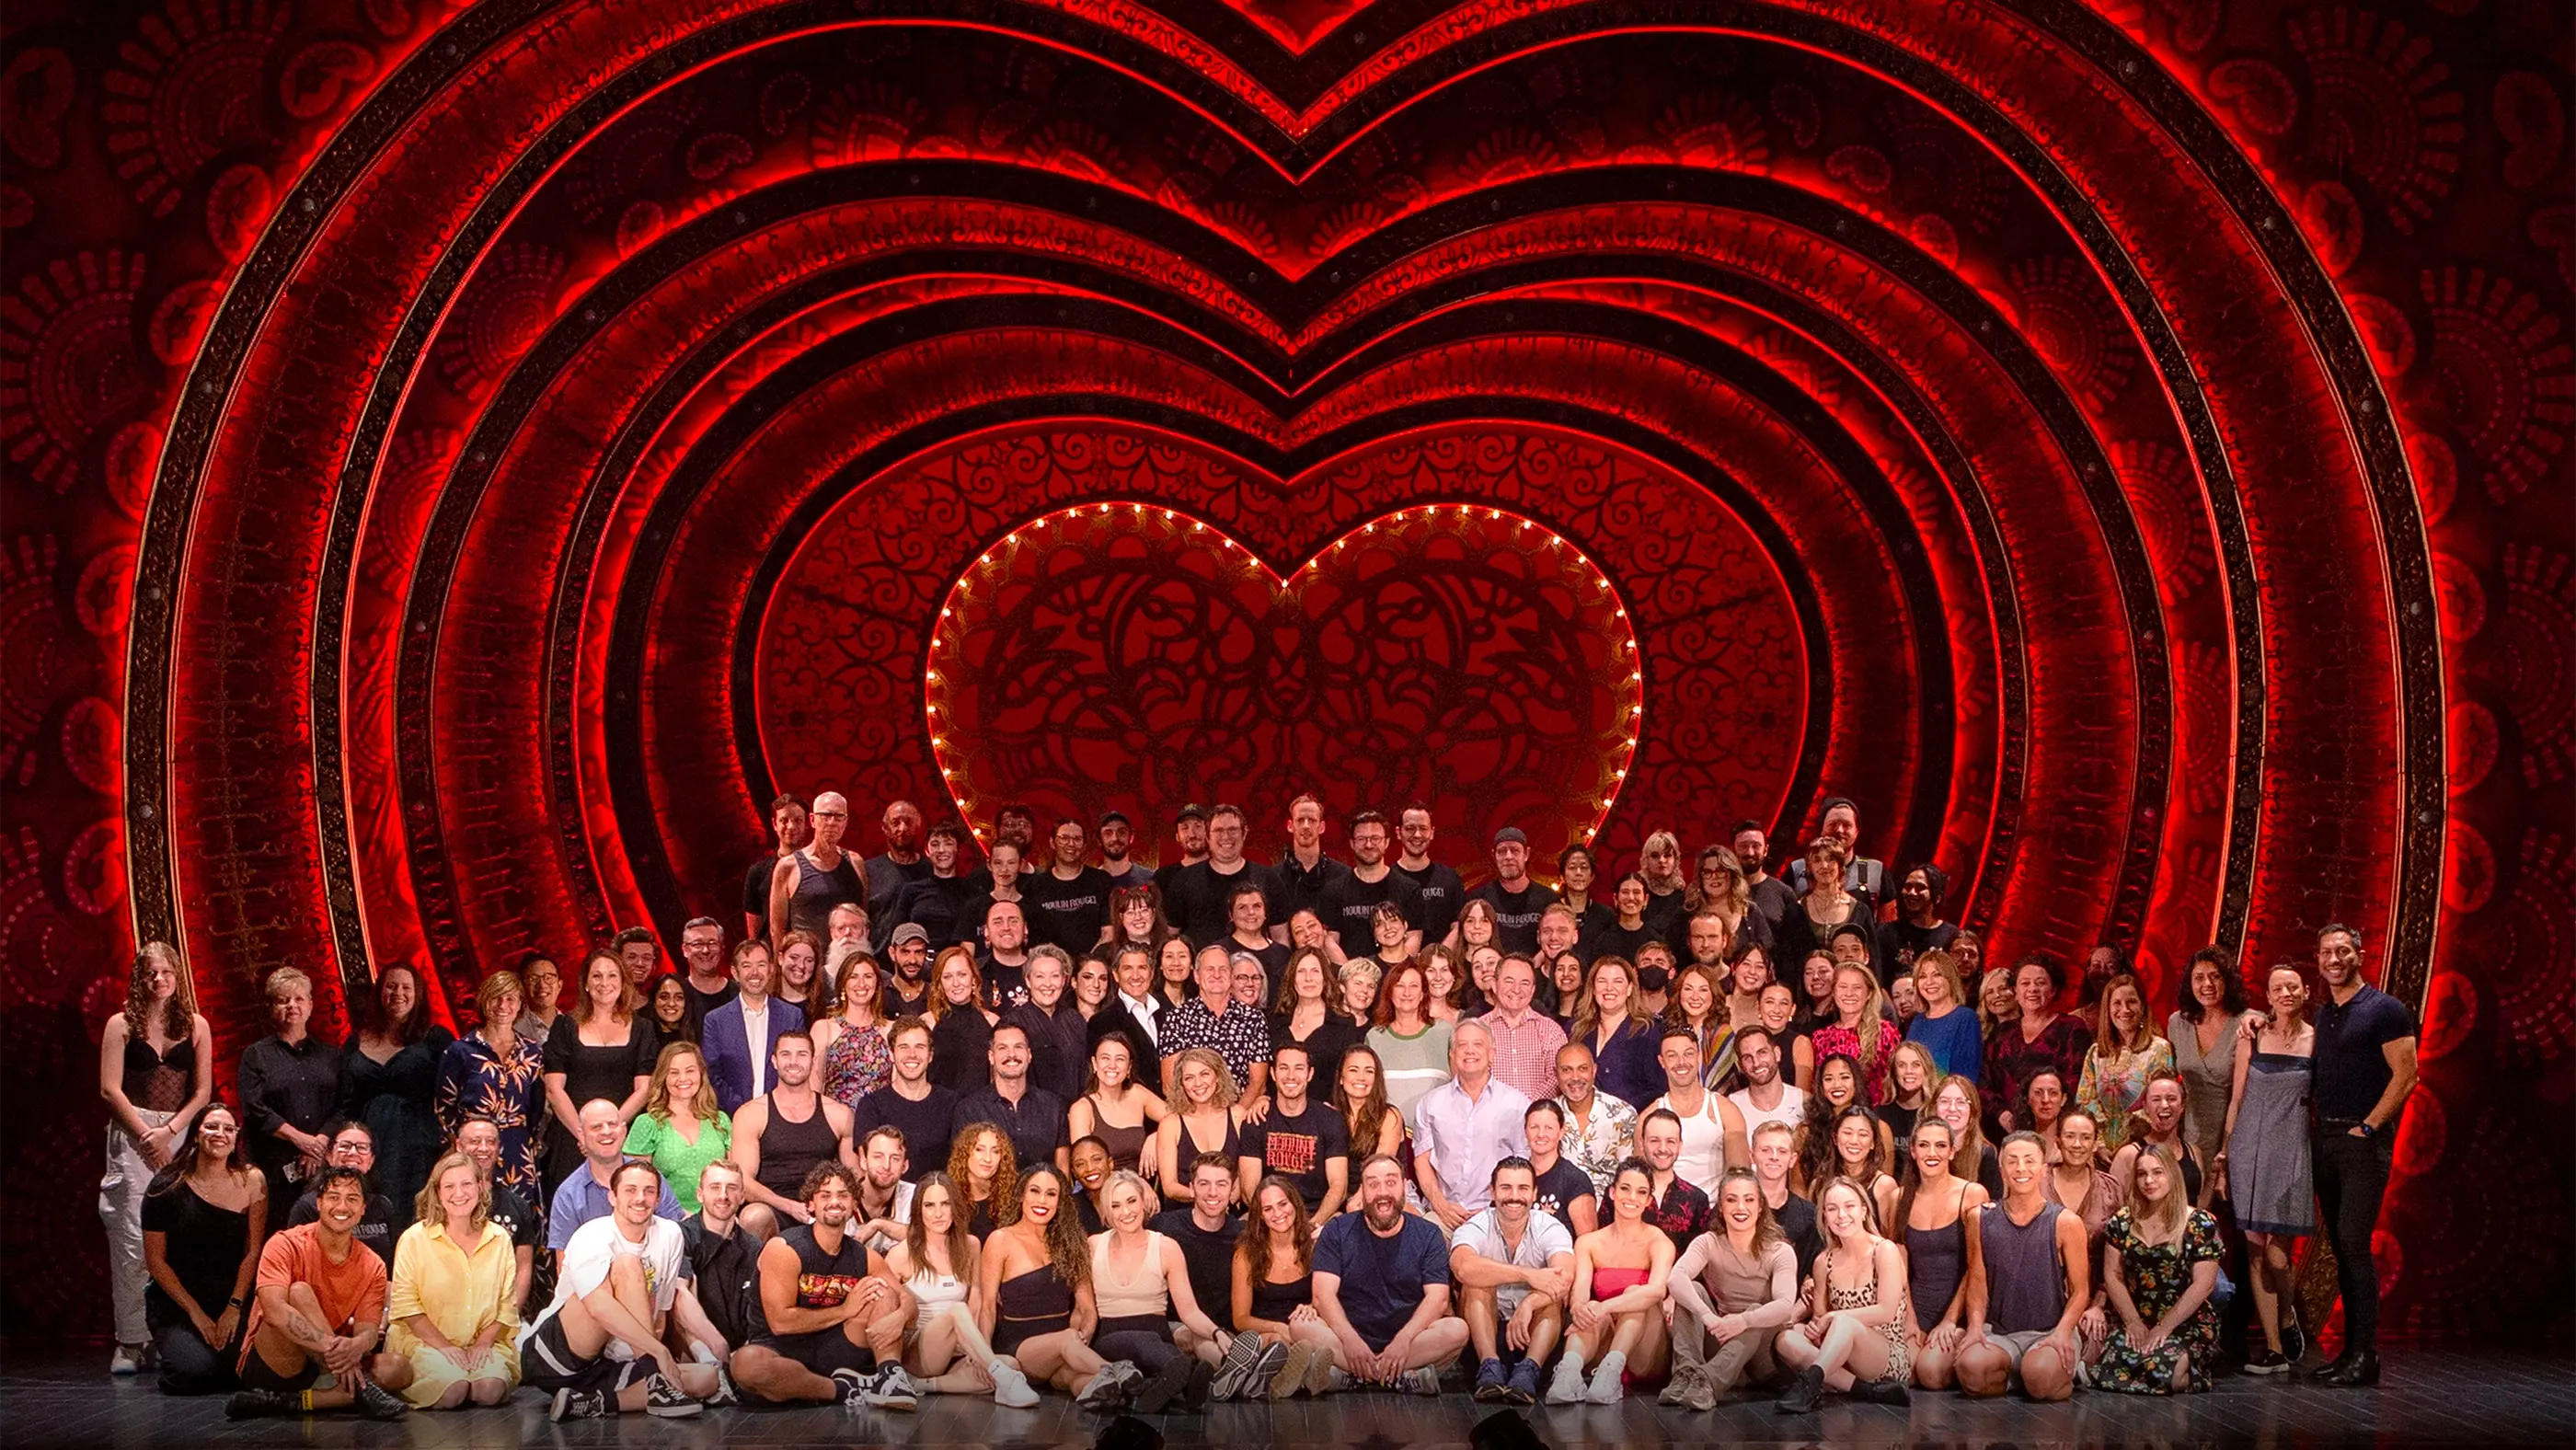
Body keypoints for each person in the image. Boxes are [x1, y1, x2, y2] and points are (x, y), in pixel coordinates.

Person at [520, 1161, 726, 1420]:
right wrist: (658, 1352)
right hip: (556, 1355)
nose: (640, 1198)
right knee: (627, 1264)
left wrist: (657, 1351)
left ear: (658, 1198)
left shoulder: (671, 1234)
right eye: (630, 1190)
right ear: (612, 1197)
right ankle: (655, 1381)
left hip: (612, 1362)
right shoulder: (592, 1234)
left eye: (649, 1191)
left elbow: (659, 1314)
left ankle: (594, 1403)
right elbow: (597, 1307)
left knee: (706, 1379)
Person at [2304, 923, 2417, 1388]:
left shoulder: (2386, 1010)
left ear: (2360, 955)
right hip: (2324, 1142)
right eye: (2326, 951)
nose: (2334, 959)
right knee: (2342, 1246)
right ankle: (2349, 1352)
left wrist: (2367, 1127)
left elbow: (2406, 1075)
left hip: (2361, 1143)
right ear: (2318, 959)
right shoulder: (2325, 1014)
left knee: (2353, 1244)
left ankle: (2366, 1355)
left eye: (2343, 951)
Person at [99, 940, 215, 1374]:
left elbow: (202, 1090)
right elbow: (110, 1088)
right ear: (139, 978)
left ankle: (175, 1334)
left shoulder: (197, 1025)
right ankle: (130, 1340)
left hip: (180, 1129)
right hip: (132, 1132)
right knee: (130, 1236)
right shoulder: (121, 1024)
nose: (159, 979)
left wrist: (169, 1132)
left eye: (166, 972)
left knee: (179, 1236)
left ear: (177, 976)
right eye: (150, 973)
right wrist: (147, 1134)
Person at [222, 1166, 412, 1421]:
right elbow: (275, 1312)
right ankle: (357, 1389)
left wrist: (356, 1345)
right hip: (275, 1361)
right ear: (319, 1202)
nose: (342, 1206)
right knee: (298, 1292)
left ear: (363, 1208)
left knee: (399, 1369)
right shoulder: (284, 1243)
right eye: (334, 1197)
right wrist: (334, 1348)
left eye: (352, 1199)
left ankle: (291, 1403)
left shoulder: (373, 1264)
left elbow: (367, 1331)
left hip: (328, 1366)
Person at [727, 1161, 918, 1410]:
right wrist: (844, 1311)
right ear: (810, 1205)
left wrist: (900, 1316)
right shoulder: (785, 1249)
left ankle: (889, 1376)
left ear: (853, 1204)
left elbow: (908, 1302)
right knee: (746, 1364)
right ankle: (841, 1390)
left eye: (843, 1195)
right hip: (781, 1348)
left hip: (836, 1346)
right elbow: (781, 1323)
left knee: (884, 1292)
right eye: (825, 1195)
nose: (835, 1202)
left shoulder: (864, 1256)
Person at [869, 1170, 1038, 1405]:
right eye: (929, 1205)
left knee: (1012, 1363)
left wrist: (979, 1352)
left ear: (955, 1207)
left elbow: (977, 1299)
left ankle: (923, 1386)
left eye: (945, 1204)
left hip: (958, 1348)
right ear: (919, 1209)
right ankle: (1001, 1376)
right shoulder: (901, 1254)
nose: (938, 1213)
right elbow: (884, 1306)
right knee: (957, 1311)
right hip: (920, 1351)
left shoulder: (970, 1245)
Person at [2225, 961, 2317, 1374]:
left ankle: (2286, 1315)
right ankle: (2275, 1349)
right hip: (2249, 1148)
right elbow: (2237, 1099)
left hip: (2291, 1151)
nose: (2286, 993)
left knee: (2278, 1256)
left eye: (2293, 987)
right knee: (2255, 1251)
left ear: (2306, 992)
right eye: (2278, 987)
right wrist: (2225, 1155)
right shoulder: (2254, 1033)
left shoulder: (2318, 1040)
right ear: (2268, 995)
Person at [1313, 1155, 1470, 1391]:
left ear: (1404, 1186)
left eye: (1390, 1182)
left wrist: (1403, 1341)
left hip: (1410, 1339)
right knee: (1300, 1327)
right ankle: (1399, 1377)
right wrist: (1351, 1340)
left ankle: (1356, 1376)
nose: (1382, 1191)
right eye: (1373, 1184)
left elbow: (1438, 1300)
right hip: (1350, 1335)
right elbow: (1322, 1295)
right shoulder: (1337, 1230)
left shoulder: (1428, 1234)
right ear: (1362, 1191)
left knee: (1457, 1330)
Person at [980, 1167, 1130, 1408]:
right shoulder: (1001, 1240)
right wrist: (988, 1361)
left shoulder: (1070, 1243)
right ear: (1021, 1195)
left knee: (1081, 1379)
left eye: (1051, 1194)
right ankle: (1127, 1377)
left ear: (1060, 1202)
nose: (1042, 1200)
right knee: (1067, 1340)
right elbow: (986, 1307)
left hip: (1064, 1349)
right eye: (1035, 1191)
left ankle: (1109, 1393)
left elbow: (1088, 1310)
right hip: (1020, 1347)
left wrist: (1082, 1340)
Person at [1954, 1132, 2087, 1401]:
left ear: (2043, 1169)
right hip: (2001, 1332)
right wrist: (1975, 1328)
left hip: (2049, 1330)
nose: (2021, 1168)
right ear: (2002, 1170)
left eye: (2029, 1161)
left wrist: (2063, 1333)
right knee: (1970, 1370)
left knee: (2041, 1380)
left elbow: (2080, 1291)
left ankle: (2054, 1374)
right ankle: (2018, 1375)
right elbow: (1978, 1282)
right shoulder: (1980, 1218)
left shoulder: (2065, 1222)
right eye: (2012, 1161)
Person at [141, 1103, 264, 1395]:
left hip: (229, 1300)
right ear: (196, 1134)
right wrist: (195, 1313)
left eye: (228, 1128)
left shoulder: (252, 1180)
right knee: (194, 1375)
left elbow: (253, 1250)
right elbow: (156, 1262)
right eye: (211, 1126)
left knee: (253, 1370)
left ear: (236, 1137)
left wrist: (234, 1307)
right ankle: (178, 1349)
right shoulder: (165, 1186)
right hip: (179, 1304)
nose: (219, 1133)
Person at [386, 1152, 520, 1409]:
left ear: (481, 1187)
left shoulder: (499, 1238)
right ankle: (449, 1381)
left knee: (490, 1391)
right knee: (453, 1391)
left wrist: (482, 1344)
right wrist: (446, 1347)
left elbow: (507, 1307)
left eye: (466, 1184)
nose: (459, 1193)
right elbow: (407, 1307)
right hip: (426, 1343)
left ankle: (471, 1377)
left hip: (484, 1341)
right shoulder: (414, 1239)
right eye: (449, 1186)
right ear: (437, 1192)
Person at [2089, 1143, 2225, 1395]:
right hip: (2138, 1318)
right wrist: (2133, 1322)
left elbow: (2203, 1284)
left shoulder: (2199, 1223)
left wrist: (2165, 1328)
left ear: (2172, 1175)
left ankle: (2188, 1371)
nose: (2149, 1180)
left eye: (2157, 1172)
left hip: (2185, 1322)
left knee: (2167, 1374)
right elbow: (2113, 1275)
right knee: (2106, 1368)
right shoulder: (2122, 1221)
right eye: (2142, 1174)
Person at [1663, 1167, 1800, 1409]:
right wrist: (1707, 1314)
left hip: (1762, 1354)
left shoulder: (1779, 1251)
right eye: (1731, 1200)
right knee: (1690, 1290)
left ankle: (1706, 1380)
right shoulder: (1708, 1242)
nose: (1740, 1208)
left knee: (1758, 1309)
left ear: (1760, 1207)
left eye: (1749, 1200)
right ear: (1722, 1207)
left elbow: (1784, 1306)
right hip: (1722, 1337)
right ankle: (1686, 1375)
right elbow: (1676, 1278)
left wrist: (1743, 1321)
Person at [1088, 1170, 1225, 1410]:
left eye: (1132, 1201)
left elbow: (1189, 1311)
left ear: (1143, 1201)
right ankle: (1187, 1380)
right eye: (1116, 1205)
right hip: (1110, 1337)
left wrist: (1217, 1333)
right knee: (1149, 1345)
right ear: (1108, 1211)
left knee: (1154, 1345)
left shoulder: (1166, 1247)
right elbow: (1084, 1306)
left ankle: (1150, 1391)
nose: (1126, 1212)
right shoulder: (1094, 1245)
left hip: (1157, 1337)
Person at [1771, 1177, 1911, 1411]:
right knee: (1787, 1339)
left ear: (1864, 1210)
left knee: (1845, 1321)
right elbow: (1820, 1317)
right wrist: (1817, 1326)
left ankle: (1810, 1384)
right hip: (1840, 1353)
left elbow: (1886, 1311)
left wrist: (1833, 1318)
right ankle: (1864, 1390)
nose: (1841, 1215)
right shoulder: (1823, 1261)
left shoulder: (1884, 1250)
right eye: (1832, 1209)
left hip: (1884, 1353)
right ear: (1824, 1215)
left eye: (1849, 1206)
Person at [1545, 1157, 1675, 1403]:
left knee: (1636, 1295)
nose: (1632, 1198)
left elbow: (1657, 1291)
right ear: (1613, 1192)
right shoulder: (1588, 1243)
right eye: (1625, 1189)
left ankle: (1612, 1370)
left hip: (1645, 1351)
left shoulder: (1658, 1242)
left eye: (1641, 1192)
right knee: (1589, 1306)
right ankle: (1568, 1373)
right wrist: (1581, 1307)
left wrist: (1605, 1306)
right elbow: (1579, 1293)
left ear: (1649, 1201)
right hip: (1602, 1340)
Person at [1451, 1157, 1574, 1405]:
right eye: (1506, 1188)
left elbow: (1564, 1278)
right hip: (1485, 1333)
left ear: (1534, 1193)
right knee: (1476, 1282)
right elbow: (1462, 1267)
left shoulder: (1550, 1227)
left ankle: (1529, 1371)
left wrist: (1528, 1305)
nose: (1514, 1196)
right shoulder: (1476, 1225)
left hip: (1535, 1334)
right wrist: (1527, 1274)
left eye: (1523, 1188)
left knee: (1552, 1294)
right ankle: (1490, 1369)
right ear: (1492, 1192)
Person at [540, 950, 655, 1196]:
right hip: (573, 1138)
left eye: (612, 975)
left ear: (623, 982)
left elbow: (644, 1089)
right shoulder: (565, 1026)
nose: (605, 983)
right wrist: (584, 1135)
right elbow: (553, 1088)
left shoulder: (643, 1028)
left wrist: (609, 1130)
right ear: (586, 984)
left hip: (624, 1136)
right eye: (597, 976)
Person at [238, 967, 344, 1224]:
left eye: (299, 999)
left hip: (326, 1164)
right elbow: (254, 1109)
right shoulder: (256, 1056)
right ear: (272, 1008)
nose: (292, 1006)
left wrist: (316, 1146)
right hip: (274, 1169)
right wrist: (299, 1140)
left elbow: (345, 1105)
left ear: (310, 1005)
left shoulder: (332, 1056)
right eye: (283, 1000)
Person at [1892, 1118, 1988, 1390]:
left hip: (1958, 1311)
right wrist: (1909, 1317)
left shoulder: (1972, 1193)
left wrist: (1949, 1321)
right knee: (1904, 1374)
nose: (1931, 1153)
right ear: (1912, 1151)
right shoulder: (1899, 1198)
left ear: (1952, 1151)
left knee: (1931, 1372)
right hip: (1916, 1308)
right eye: (1924, 1145)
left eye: (1940, 1145)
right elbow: (1898, 1266)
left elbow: (1976, 1266)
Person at [437, 971, 546, 1208]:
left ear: (520, 1005)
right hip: (475, 1148)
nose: (502, 1005)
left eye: (510, 999)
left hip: (518, 1149)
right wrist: (459, 1145)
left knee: (519, 1215)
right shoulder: (461, 1051)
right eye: (495, 998)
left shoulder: (532, 1052)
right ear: (483, 1002)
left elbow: (537, 1106)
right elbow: (444, 1105)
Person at [730, 1031, 856, 1229]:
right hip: (772, 1207)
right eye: (786, 1054)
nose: (794, 1062)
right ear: (774, 1061)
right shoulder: (751, 1114)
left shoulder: (839, 1114)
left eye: (802, 1055)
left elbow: (854, 1176)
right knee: (754, 1216)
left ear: (813, 1061)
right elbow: (743, 1180)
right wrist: (789, 1207)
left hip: (823, 1207)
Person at [1225, 1176, 1334, 1400]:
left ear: (1294, 1203)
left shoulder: (1316, 1244)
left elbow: (1330, 1297)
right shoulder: (1246, 1253)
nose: (1278, 1214)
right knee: (1279, 1344)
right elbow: (1241, 1319)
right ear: (1260, 1216)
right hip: (1266, 1332)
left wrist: (1313, 1307)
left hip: (1306, 1328)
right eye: (1268, 1209)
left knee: (1311, 1336)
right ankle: (1301, 1377)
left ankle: (1292, 1378)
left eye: (1282, 1204)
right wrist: (1277, 1328)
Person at [548, 1099, 686, 1251]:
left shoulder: (650, 1178)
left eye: (612, 1124)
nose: (606, 1131)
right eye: (596, 1127)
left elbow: (676, 1236)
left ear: (624, 1130)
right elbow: (564, 1266)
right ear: (582, 1135)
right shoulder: (568, 1194)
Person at [1242, 1041, 1350, 1220]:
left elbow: (1339, 1186)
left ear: (1310, 1074)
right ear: (1273, 1073)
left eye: (1299, 1068)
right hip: (1270, 1215)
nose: (1291, 1076)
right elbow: (1249, 1189)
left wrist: (1314, 1224)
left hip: (1316, 1214)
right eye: (1284, 1068)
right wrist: (1274, 1219)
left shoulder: (1330, 1120)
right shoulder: (1256, 1120)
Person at [622, 1042, 732, 1216]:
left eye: (690, 1071)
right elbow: (638, 1186)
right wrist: (681, 1216)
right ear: (663, 1077)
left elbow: (733, 1178)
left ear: (701, 1074)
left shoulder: (720, 1121)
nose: (683, 1079)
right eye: (674, 1073)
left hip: (718, 1218)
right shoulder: (647, 1123)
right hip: (666, 1220)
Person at [703, 940, 806, 1116]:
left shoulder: (792, 1016)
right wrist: (743, 1111)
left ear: (771, 970)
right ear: (735, 973)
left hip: (782, 1118)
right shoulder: (716, 1020)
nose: (755, 973)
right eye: (746, 965)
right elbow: (712, 1075)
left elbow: (798, 1068)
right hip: (732, 1118)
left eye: (761, 965)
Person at [2076, 972, 2176, 1152]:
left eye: (2131, 1002)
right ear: (2108, 1009)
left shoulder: (2159, 1049)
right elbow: (2085, 1102)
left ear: (2143, 1006)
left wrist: (2127, 1147)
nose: (2125, 1009)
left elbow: (2158, 1103)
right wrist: (2099, 1146)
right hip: (2098, 1150)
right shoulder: (2095, 1053)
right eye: (2117, 1003)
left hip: (2141, 1148)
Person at [1158, 945, 1272, 1102]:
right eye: (1210, 969)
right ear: (1197, 976)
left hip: (1239, 1117)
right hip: (1191, 1118)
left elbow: (1258, 1084)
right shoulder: (1177, 1019)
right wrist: (1195, 1119)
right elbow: (1170, 1084)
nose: (1217, 975)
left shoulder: (1253, 1019)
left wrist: (1234, 1118)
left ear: (1231, 975)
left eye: (1223, 969)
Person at [852, 1017, 959, 1183]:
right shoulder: (872, 1105)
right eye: (904, 1047)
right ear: (891, 1054)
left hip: (938, 1201)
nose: (912, 1055)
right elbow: (870, 1168)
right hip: (889, 1201)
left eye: (920, 1047)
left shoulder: (952, 1103)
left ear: (930, 1055)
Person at [451, 1118, 540, 1316]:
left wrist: (507, 1318)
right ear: (459, 1146)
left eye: (490, 1142)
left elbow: (523, 1268)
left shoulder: (517, 1205)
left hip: (502, 1314)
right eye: (475, 1141)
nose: (483, 1148)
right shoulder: (440, 1202)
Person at [958, 1022, 1071, 1174]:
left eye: (1018, 1047)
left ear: (1029, 1054)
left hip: (1042, 1196)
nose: (1011, 1054)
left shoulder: (1054, 1106)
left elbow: (1062, 1170)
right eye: (1002, 1048)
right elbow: (964, 1170)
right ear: (991, 1056)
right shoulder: (969, 1110)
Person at [1645, 1026, 1751, 1187]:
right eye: (1672, 1056)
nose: (1681, 1062)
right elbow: (1642, 1181)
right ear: (1662, 1062)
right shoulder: (1649, 1117)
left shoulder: (1726, 1111)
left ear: (1698, 1057)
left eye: (1688, 1054)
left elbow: (1739, 1175)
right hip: (1668, 1209)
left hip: (1715, 1208)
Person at [682, 1159, 768, 1352]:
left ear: (742, 1196)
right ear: (700, 1195)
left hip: (742, 1350)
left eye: (732, 1188)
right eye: (715, 1187)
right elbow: (679, 1298)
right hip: (693, 1347)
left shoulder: (753, 1246)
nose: (723, 1195)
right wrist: (716, 1348)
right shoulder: (682, 1236)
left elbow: (760, 1310)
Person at [1316, 811, 1425, 961]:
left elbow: (1414, 938)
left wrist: (1394, 973)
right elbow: (1330, 940)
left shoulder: (1410, 889)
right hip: (1350, 978)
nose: (1368, 845)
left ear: (1386, 842)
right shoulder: (1333, 890)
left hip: (1396, 979)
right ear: (1352, 843)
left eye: (1375, 838)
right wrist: (1353, 976)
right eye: (1361, 839)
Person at [286, 1122, 398, 1266]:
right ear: (329, 1156)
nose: (353, 1153)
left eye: (362, 1148)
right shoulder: (307, 1207)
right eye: (345, 1146)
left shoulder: (383, 1205)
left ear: (371, 1161)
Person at [1164, 804, 1277, 946]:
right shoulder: (1183, 879)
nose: (1226, 837)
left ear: (1244, 833)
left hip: (1254, 966)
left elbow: (1280, 936)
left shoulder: (1267, 878)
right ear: (1207, 836)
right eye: (1218, 830)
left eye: (1232, 830)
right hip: (1200, 966)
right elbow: (1170, 936)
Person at [771, 790, 868, 945]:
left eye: (839, 817)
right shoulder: (788, 866)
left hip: (849, 960)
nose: (832, 822)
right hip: (807, 963)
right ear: (812, 820)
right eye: (826, 815)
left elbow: (864, 915)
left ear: (846, 822)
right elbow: (777, 929)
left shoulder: (856, 863)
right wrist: (779, 965)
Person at [1156, 1047, 1248, 1205]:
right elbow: (1170, 1187)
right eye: (1189, 1078)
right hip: (1184, 1214)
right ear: (1181, 1084)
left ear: (1218, 1076)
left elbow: (1245, 1175)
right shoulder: (1170, 1124)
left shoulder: (1238, 1115)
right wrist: (1207, 1198)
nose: (1198, 1083)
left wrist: (1226, 1200)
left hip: (1230, 1212)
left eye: (1204, 1074)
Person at [1363, 959, 1453, 1122]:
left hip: (1436, 1135)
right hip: (1388, 1137)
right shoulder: (1374, 1036)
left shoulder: (1444, 1032)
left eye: (1414, 986)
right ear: (1390, 992)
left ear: (1423, 994)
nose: (1407, 993)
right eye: (1399, 986)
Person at [1071, 1033, 1167, 1182]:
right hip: (1103, 1193)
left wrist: (1156, 1136)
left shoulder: (1138, 1093)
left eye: (1120, 1059)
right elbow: (1086, 1168)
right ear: (1095, 1064)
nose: (1112, 1065)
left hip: (1143, 1193)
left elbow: (1178, 1119)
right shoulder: (1082, 1108)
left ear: (1129, 1067)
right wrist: (1136, 1186)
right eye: (1105, 1058)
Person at [1570, 956, 1662, 1111]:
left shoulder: (1648, 1031)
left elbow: (1658, 1089)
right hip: (1582, 1125)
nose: (1609, 988)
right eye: (1602, 981)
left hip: (1631, 1124)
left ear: (1630, 989)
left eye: (1617, 981)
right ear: (1592, 987)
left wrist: (1621, 1112)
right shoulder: (1576, 1029)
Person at [1549, 1040, 1638, 1197]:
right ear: (1556, 1074)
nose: (1575, 1077)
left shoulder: (1622, 1114)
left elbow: (1630, 1176)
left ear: (1594, 1070)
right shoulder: (1547, 1116)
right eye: (1566, 1070)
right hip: (1557, 1207)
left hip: (1609, 1209)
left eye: (1583, 1069)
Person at [1004, 946, 1090, 1103]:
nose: (1048, 984)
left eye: (1055, 976)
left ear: (1064, 980)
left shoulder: (1075, 1020)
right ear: (1028, 981)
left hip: (1075, 1113)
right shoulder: (1013, 1023)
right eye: (1040, 976)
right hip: (1033, 1115)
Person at [1269, 947, 1360, 1093]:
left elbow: (1348, 1074)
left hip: (1324, 1110)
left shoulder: (1344, 1024)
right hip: (1279, 1109)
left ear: (1325, 979)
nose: (1308, 978)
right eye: (1301, 971)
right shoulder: (1274, 1020)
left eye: (1315, 971)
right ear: (1292, 979)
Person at [1478, 954, 1567, 1104]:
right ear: (1494, 984)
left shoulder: (1551, 1030)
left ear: (1533, 990)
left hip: (1538, 1120)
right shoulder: (1477, 1030)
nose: (1516, 989)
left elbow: (1557, 1076)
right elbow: (1471, 1077)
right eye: (1509, 981)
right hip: (1489, 1120)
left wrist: (1527, 1107)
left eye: (1525, 983)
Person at [812, 942, 891, 1106]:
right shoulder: (824, 1029)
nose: (861, 984)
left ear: (877, 984)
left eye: (868, 977)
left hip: (879, 1124)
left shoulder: (890, 1029)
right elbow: (814, 1090)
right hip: (836, 1125)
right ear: (843, 984)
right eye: (853, 977)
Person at [1809, 963, 1898, 1106]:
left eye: (1857, 987)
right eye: (1843, 987)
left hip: (1875, 1117)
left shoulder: (1885, 1032)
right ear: (1834, 992)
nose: (1849, 993)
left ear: (1868, 994)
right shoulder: (1820, 1038)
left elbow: (1893, 1082)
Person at [1024, 818, 1114, 956]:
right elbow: (1031, 939)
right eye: (1064, 838)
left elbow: (1109, 933)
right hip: (1050, 970)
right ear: (1052, 843)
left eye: (1077, 839)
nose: (1071, 844)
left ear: (1084, 845)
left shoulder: (1101, 880)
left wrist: (1088, 965)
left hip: (1092, 968)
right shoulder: (1034, 886)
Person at [1748, 1121, 1824, 1283]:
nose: (1774, 1157)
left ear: (1792, 1159)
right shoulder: (1734, 1208)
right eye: (1765, 1150)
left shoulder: (1809, 1215)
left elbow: (1814, 1272)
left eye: (1782, 1151)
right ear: (1752, 1156)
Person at [1331, 1046, 1405, 1209]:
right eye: (1353, 1070)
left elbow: (1379, 1171)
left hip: (1383, 1191)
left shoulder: (1389, 1115)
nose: (1361, 1077)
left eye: (1369, 1071)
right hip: (1341, 1196)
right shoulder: (1330, 1115)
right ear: (1341, 1078)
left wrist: (1356, 1202)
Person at [890, 821, 978, 953]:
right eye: (935, 844)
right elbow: (898, 934)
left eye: (948, 843)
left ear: (958, 849)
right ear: (927, 851)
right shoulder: (911, 890)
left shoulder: (973, 892)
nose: (941, 850)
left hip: (958, 965)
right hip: (919, 964)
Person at [1467, 827, 1558, 954]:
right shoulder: (1479, 900)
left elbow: (1558, 941)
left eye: (1515, 851)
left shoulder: (1548, 899)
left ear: (1526, 854)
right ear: (1494, 855)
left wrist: (1531, 967)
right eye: (1502, 851)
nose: (1508, 857)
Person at [861, 800, 934, 953]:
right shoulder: (868, 870)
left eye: (908, 822)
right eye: (895, 822)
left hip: (921, 962)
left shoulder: (931, 871)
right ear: (885, 828)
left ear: (918, 826)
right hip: (878, 963)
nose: (902, 828)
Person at [1634, 1108, 1709, 1251]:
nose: (1663, 1148)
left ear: (1680, 1146)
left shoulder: (1697, 1200)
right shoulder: (1621, 1193)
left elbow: (1701, 1257)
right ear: (1641, 1142)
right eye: (1654, 1140)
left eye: (1670, 1141)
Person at [1391, 804, 1466, 946]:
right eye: (1410, 828)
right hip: (1398, 965)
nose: (1417, 835)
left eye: (1423, 828)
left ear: (1432, 833)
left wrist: (1438, 958)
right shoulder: (1387, 879)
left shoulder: (1449, 878)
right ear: (1398, 832)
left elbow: (1458, 927)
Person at [1903, 949, 1981, 1082]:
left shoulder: (1965, 1018)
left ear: (1950, 979)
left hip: (1949, 1099)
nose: (1929, 982)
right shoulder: (1917, 1021)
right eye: (1922, 977)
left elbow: (1965, 1076)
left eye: (1937, 974)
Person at [927, 945, 998, 1091]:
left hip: (978, 1110)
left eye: (962, 974)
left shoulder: (993, 1022)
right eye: (948, 977)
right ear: (940, 983)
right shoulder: (927, 1023)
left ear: (974, 978)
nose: (956, 983)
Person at [743, 794, 807, 944]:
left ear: (807, 823)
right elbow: (754, 933)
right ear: (774, 824)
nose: (791, 827)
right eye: (784, 820)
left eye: (798, 820)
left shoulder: (819, 866)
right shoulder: (757, 873)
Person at [1726, 1027, 1807, 1139]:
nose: (1756, 1063)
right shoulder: (1731, 1106)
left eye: (1762, 1052)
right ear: (1741, 1066)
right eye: (1747, 1058)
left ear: (1777, 1054)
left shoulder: (1804, 1102)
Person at [949, 1124, 1020, 1238]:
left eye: (996, 1151)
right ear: (965, 1153)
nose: (988, 1159)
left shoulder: (1012, 1199)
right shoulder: (948, 1196)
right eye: (979, 1150)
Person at [675, 915, 738, 1021]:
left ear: (722, 948)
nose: (705, 950)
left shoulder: (741, 995)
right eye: (698, 944)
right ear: (685, 950)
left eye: (712, 943)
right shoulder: (677, 996)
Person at [1879, 1041, 1938, 1144]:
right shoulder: (1880, 1116)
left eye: (1916, 1065)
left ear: (1926, 1070)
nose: (1909, 1071)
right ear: (1894, 1072)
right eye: (1901, 1065)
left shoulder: (1937, 1112)